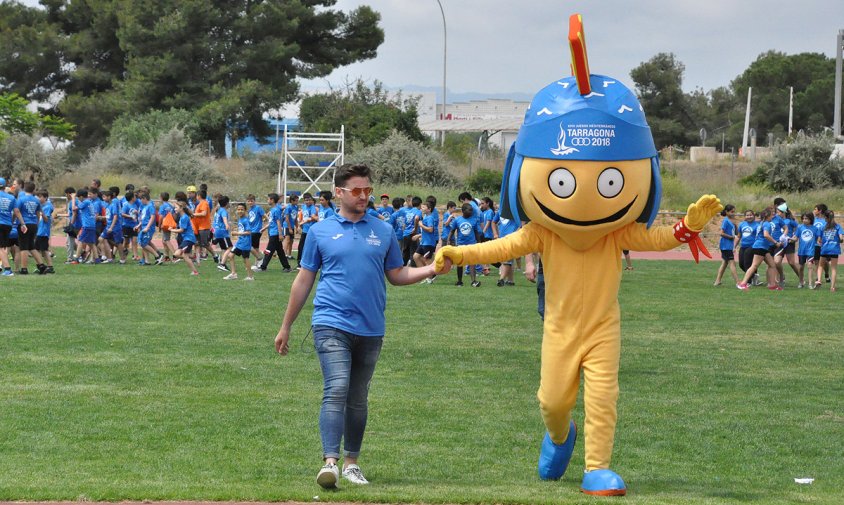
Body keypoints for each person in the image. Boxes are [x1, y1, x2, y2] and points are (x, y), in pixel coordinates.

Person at [273, 163, 437, 489]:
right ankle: (330, 463)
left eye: (368, 190)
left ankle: (351, 463)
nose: (364, 196)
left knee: (358, 396)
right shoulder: (319, 231)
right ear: (339, 192)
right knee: (336, 388)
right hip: (330, 322)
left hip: (371, 327)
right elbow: (304, 280)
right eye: (357, 191)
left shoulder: (384, 230)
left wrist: (432, 269)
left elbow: (397, 275)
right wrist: (286, 325)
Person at [737, 208, 779, 290]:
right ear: (767, 216)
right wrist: (775, 242)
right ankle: (743, 284)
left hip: (763, 247)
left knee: (772, 265)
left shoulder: (761, 223)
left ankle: (772, 285)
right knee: (754, 266)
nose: (773, 216)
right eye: (771, 214)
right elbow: (766, 235)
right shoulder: (767, 224)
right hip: (761, 247)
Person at [446, 202, 483, 287]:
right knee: (460, 263)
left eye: (471, 210)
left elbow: (476, 233)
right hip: (460, 245)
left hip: (472, 245)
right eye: (468, 210)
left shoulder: (474, 220)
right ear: (463, 211)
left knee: (472, 263)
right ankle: (459, 281)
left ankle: (474, 281)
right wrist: (448, 240)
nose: (470, 212)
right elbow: (452, 231)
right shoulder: (457, 220)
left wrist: (479, 243)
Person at [255, 193, 291, 273]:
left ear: (272, 200)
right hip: (273, 233)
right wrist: (264, 228)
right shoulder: (273, 209)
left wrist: (280, 234)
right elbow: (272, 222)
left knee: (268, 250)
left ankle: (263, 267)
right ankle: (287, 267)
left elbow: (278, 222)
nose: (267, 201)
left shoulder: (276, 210)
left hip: (275, 234)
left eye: (268, 199)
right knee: (280, 251)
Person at [15, 181, 45, 274]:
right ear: (33, 190)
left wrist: (21, 223)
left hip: (24, 224)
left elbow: (17, 210)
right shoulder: (36, 200)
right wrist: (36, 223)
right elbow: (38, 213)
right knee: (31, 246)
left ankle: (24, 269)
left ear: (24, 189)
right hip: (33, 224)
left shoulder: (21, 199)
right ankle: (42, 265)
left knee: (23, 247)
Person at [225, 203, 254, 281]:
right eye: (238, 209)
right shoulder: (240, 219)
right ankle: (234, 274)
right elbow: (243, 230)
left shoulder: (245, 220)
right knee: (230, 256)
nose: (240, 211)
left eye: (242, 209)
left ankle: (250, 276)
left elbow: (248, 232)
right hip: (240, 242)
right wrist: (237, 232)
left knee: (245, 259)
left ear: (245, 210)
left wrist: (237, 233)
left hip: (245, 243)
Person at [817, 209, 843, 292]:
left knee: (821, 266)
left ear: (826, 218)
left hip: (825, 248)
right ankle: (832, 287)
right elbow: (841, 238)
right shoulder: (838, 226)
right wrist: (840, 240)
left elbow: (819, 240)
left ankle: (819, 281)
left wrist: (821, 242)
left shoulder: (822, 227)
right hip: (834, 249)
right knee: (833, 268)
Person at [170, 201, 199, 276]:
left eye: (176, 207)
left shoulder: (184, 217)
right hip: (187, 239)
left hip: (188, 239)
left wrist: (171, 230)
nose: (175, 209)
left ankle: (194, 258)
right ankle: (195, 271)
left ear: (181, 208)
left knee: (176, 254)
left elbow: (182, 230)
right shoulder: (182, 217)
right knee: (185, 256)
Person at [713, 204, 739, 286]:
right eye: (731, 212)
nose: (733, 213)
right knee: (732, 262)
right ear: (727, 212)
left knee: (724, 263)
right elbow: (722, 233)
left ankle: (717, 281)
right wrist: (731, 237)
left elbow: (736, 233)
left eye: (734, 212)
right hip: (725, 245)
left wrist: (735, 225)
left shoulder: (731, 221)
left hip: (729, 245)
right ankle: (738, 282)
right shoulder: (725, 220)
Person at [796, 212, 818, 289]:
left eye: (806, 219)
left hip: (810, 251)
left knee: (810, 266)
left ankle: (810, 284)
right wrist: (791, 239)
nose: (804, 220)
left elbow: (819, 238)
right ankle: (801, 282)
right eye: (803, 218)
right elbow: (796, 237)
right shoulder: (800, 227)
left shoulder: (815, 228)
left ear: (810, 219)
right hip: (801, 251)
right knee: (801, 267)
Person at [737, 210, 759, 285]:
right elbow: (739, 236)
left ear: (754, 216)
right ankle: (754, 275)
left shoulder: (757, 225)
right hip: (743, 246)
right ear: (745, 216)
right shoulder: (742, 224)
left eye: (750, 215)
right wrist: (734, 246)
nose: (749, 217)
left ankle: (748, 282)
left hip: (752, 247)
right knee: (741, 264)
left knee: (747, 264)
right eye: (747, 215)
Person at [35, 190, 55, 274]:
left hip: (43, 232)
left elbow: (46, 219)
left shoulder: (48, 206)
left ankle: (49, 267)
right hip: (40, 231)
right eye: (38, 197)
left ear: (45, 197)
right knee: (39, 250)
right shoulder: (42, 206)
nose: (38, 198)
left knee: (43, 250)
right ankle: (41, 266)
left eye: (40, 197)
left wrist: (41, 212)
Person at [213, 195, 234, 272]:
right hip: (222, 232)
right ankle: (221, 264)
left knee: (224, 249)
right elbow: (224, 218)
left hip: (217, 231)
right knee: (230, 248)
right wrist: (227, 225)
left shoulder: (218, 210)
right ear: (226, 203)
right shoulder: (223, 211)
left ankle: (222, 265)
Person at [297, 192, 317, 265]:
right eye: (306, 200)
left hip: (310, 231)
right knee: (301, 247)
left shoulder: (312, 208)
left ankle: (311, 262)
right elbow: (302, 216)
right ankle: (299, 263)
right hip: (305, 230)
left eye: (309, 200)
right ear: (304, 201)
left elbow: (312, 217)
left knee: (310, 248)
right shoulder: (303, 207)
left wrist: (303, 223)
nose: (308, 202)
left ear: (312, 200)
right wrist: (300, 225)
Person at [813, 203, 829, 283]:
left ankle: (826, 273)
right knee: (816, 261)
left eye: (815, 209)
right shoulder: (813, 220)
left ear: (820, 211)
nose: (814, 211)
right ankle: (818, 278)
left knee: (825, 261)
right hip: (815, 244)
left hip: (824, 244)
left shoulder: (825, 221)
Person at [282, 194, 299, 260]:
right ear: (292, 201)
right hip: (286, 226)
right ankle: (284, 255)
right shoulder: (288, 207)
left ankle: (289, 254)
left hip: (292, 226)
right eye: (296, 201)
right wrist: (289, 228)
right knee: (287, 240)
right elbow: (287, 218)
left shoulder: (296, 207)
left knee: (291, 241)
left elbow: (295, 218)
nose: (297, 202)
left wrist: (297, 227)